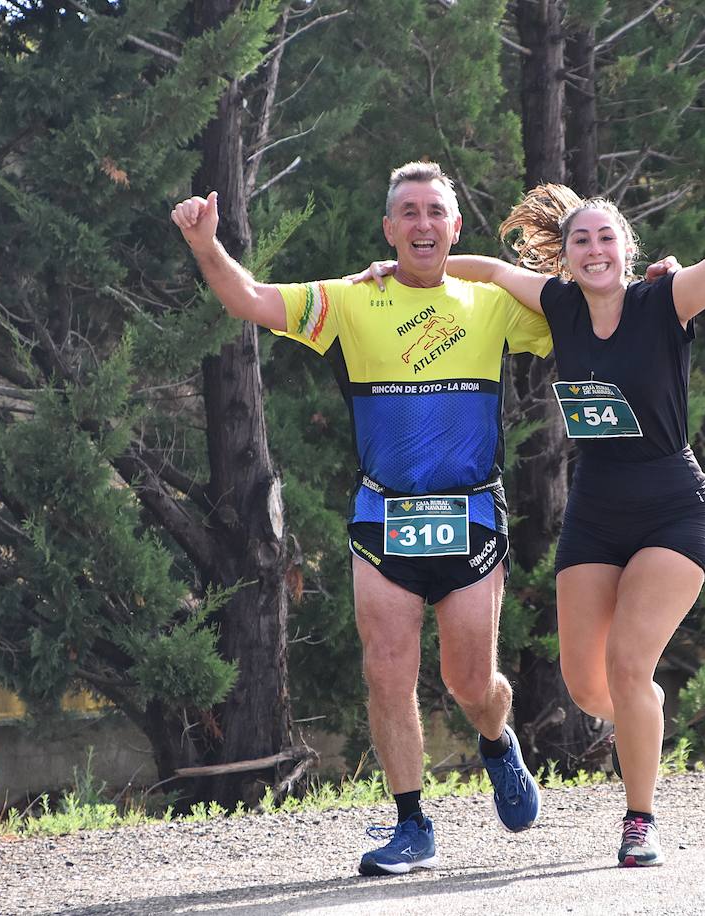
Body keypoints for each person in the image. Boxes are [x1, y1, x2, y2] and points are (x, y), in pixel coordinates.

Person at [354, 113, 705, 867]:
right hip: (596, 512)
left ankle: (639, 822)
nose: (595, 249)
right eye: (581, 240)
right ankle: (642, 714)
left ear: (626, 249)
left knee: (630, 663)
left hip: (671, 506)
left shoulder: (666, 301)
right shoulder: (559, 307)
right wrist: (398, 270)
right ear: (567, 257)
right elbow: (483, 270)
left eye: (607, 237)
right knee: (589, 686)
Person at [170, 161, 547, 877]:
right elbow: (249, 298)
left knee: (473, 685)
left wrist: (652, 287)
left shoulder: (493, 301)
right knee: (386, 675)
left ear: (455, 226)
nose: (422, 223)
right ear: (388, 228)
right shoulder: (349, 300)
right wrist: (205, 245)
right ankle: (412, 825)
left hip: (470, 513)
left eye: (434, 212)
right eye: (408, 212)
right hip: (383, 515)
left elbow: (588, 312)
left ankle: (498, 742)